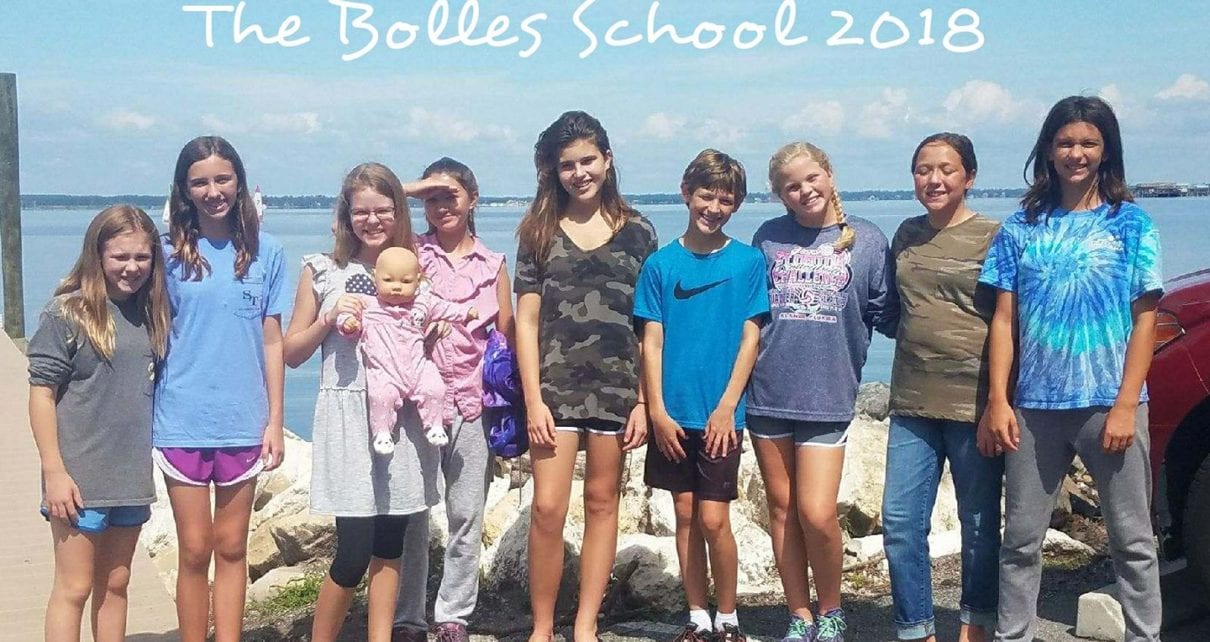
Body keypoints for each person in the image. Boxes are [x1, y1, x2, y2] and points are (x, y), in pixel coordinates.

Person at [979, 95, 1163, 642]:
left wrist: (1127, 405)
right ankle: (1015, 635)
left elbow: (1147, 319)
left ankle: (1144, 636)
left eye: (1088, 143)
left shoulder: (1132, 224)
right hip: (1035, 408)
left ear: (1106, 151)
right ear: (1048, 149)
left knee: (1133, 541)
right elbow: (1004, 320)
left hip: (1111, 403)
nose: (1075, 153)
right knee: (1020, 542)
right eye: (1065, 142)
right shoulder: (1021, 227)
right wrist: (997, 400)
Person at [514, 110, 656, 642]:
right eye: (568, 164)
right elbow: (526, 321)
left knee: (603, 503)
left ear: (608, 160)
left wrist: (644, 400)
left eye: (588, 160)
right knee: (548, 509)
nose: (579, 173)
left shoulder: (640, 231)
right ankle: (543, 627)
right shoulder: (538, 230)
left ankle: (585, 625)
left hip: (618, 392)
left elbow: (649, 326)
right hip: (553, 391)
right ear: (554, 170)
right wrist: (532, 400)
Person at [282, 162, 438, 642]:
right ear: (346, 216)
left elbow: (423, 347)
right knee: (352, 551)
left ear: (399, 213)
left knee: (391, 544)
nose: (373, 221)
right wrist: (329, 319)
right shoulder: (323, 270)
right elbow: (292, 352)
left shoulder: (413, 270)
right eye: (361, 212)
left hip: (402, 422)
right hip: (349, 418)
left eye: (384, 210)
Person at [749, 141, 898, 642]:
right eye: (792, 186)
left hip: (830, 395)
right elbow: (749, 316)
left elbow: (892, 314)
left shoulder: (870, 241)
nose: (805, 190)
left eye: (812, 178)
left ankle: (831, 609)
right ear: (781, 196)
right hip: (768, 393)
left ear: (829, 175)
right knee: (783, 510)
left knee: (817, 511)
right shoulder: (768, 238)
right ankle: (799, 613)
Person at [154, 136, 287, 642]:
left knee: (232, 546)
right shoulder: (165, 253)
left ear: (240, 182)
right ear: (185, 191)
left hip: (244, 420)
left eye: (222, 179)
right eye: (200, 182)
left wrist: (275, 420)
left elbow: (272, 341)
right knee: (194, 548)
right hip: (181, 419)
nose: (214, 191)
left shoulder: (267, 250)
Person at [635, 149, 769, 642]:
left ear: (736, 204)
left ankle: (729, 616)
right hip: (673, 414)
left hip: (721, 414)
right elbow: (651, 340)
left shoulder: (748, 261)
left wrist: (728, 406)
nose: (714, 206)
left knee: (714, 517)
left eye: (726, 199)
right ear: (686, 192)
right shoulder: (660, 264)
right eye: (706, 195)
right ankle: (696, 614)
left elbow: (751, 337)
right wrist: (657, 411)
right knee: (685, 515)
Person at [28, 205, 170, 642]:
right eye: (120, 257)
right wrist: (54, 471)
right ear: (97, 255)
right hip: (79, 477)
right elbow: (41, 394)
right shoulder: (65, 313)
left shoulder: (152, 314)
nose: (131, 268)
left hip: (130, 476)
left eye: (141, 258)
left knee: (116, 583)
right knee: (74, 587)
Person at [881, 133, 1002, 642]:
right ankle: (917, 630)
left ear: (968, 177)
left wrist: (1001, 400)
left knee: (977, 526)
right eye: (924, 170)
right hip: (911, 399)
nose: (934, 180)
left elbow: (1010, 321)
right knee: (901, 522)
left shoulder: (994, 235)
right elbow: (889, 311)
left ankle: (975, 626)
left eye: (947, 170)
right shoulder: (905, 234)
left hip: (975, 402)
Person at [393, 158, 514, 642]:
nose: (441, 206)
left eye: (451, 195)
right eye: (432, 198)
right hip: (416, 402)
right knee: (412, 513)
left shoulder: (493, 264)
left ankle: (453, 615)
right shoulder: (407, 252)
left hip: (471, 404)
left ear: (472, 199)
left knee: (466, 514)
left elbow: (504, 338)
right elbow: (365, 203)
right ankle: (406, 616)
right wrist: (420, 185)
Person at [336, 246, 478, 450]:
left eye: (405, 282)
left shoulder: (422, 303)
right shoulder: (368, 304)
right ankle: (382, 432)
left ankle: (435, 426)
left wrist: (466, 313)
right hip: (384, 370)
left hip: (418, 366)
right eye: (388, 280)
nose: (396, 287)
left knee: (435, 388)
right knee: (380, 396)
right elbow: (347, 316)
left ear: (418, 281)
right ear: (375, 277)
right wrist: (348, 323)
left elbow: (445, 308)